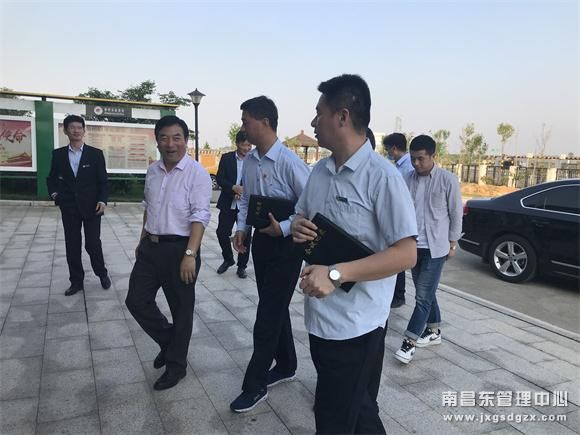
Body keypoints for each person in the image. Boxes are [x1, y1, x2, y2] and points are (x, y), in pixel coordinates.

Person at [292, 74, 417, 434]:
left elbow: (406, 254)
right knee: (358, 410)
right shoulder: (320, 170)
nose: (314, 121)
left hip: (357, 325)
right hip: (319, 316)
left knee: (334, 417)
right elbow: (301, 214)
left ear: (342, 116)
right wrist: (297, 225)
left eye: (319, 113)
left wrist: (336, 274)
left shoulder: (382, 177)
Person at [229, 96, 310, 413]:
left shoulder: (290, 163)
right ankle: (287, 364)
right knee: (273, 307)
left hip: (287, 247)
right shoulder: (250, 161)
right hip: (261, 244)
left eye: (246, 120)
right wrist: (241, 228)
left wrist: (285, 227)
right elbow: (246, 200)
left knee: (266, 316)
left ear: (264, 122)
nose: (242, 126)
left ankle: (255, 384)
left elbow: (312, 206)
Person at [125, 115, 212, 390]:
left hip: (180, 249)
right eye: (164, 138)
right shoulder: (153, 170)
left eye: (177, 138)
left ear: (186, 141)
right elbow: (149, 207)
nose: (170, 144)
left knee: (181, 309)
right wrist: (142, 240)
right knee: (136, 300)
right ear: (157, 140)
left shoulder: (197, 174)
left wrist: (190, 254)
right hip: (150, 247)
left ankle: (176, 366)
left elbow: (200, 216)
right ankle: (169, 341)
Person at [394, 134, 462, 365]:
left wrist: (453, 242)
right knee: (426, 291)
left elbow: (456, 213)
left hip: (436, 247)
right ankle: (434, 330)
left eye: (421, 158)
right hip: (413, 246)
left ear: (433, 156)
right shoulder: (407, 179)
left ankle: (409, 342)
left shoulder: (447, 180)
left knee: (422, 296)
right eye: (413, 158)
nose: (416, 163)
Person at [47, 114, 110, 296]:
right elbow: (51, 178)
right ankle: (76, 282)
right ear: (65, 131)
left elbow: (103, 181)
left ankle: (102, 273)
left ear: (84, 130)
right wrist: (55, 195)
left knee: (93, 244)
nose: (76, 130)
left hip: (92, 207)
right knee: (72, 246)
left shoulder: (95, 154)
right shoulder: (58, 154)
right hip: (69, 207)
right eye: (72, 127)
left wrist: (102, 200)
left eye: (79, 127)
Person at [382, 132, 414, 308]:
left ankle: (399, 295)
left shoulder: (407, 167)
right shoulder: (399, 165)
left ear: (394, 148)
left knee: (399, 257)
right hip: (396, 215)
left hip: (402, 216)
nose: (388, 153)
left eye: (387, 149)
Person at [215, 130, 252, 278]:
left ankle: (241, 266)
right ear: (237, 144)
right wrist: (233, 188)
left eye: (249, 145)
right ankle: (228, 259)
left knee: (246, 236)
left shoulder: (254, 160)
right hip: (228, 202)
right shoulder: (227, 158)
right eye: (244, 145)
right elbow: (220, 178)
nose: (247, 148)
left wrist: (244, 192)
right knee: (221, 232)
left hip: (245, 204)